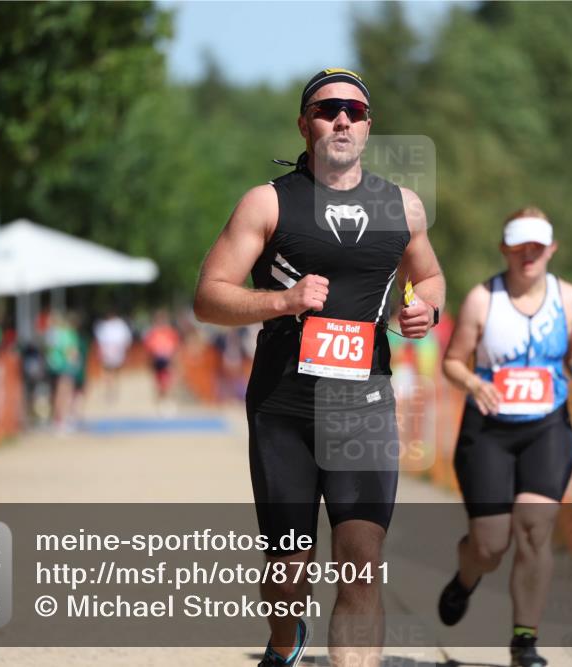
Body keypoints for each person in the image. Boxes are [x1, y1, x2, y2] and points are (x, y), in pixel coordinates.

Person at [194, 67, 444, 667]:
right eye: (328, 109)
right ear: (305, 124)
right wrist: (282, 301)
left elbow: (430, 276)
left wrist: (426, 310)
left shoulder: (402, 206)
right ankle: (285, 641)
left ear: (368, 126)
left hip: (363, 405)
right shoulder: (267, 202)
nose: (342, 120)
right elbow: (208, 297)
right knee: (288, 571)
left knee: (361, 564)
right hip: (284, 408)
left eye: (355, 111)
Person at [437, 207, 572, 667]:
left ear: (551, 249)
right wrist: (474, 384)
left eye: (537, 247)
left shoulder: (568, 298)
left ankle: (524, 641)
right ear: (504, 249)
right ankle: (466, 577)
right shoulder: (482, 300)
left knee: (534, 528)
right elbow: (452, 361)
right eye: (519, 247)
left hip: (546, 426)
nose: (528, 255)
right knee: (491, 545)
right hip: (488, 429)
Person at [143, 309, 181, 409]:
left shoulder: (171, 333)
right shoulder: (152, 333)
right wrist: (149, 362)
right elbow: (149, 350)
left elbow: (175, 348)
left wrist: (176, 362)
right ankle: (161, 401)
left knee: (169, 381)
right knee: (159, 382)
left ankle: (167, 400)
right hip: (157, 361)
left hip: (168, 360)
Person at [93, 310, 132, 401]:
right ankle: (110, 389)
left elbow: (125, 339)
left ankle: (113, 389)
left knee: (113, 372)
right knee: (108, 372)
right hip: (108, 351)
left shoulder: (119, 325)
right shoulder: (105, 325)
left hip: (116, 351)